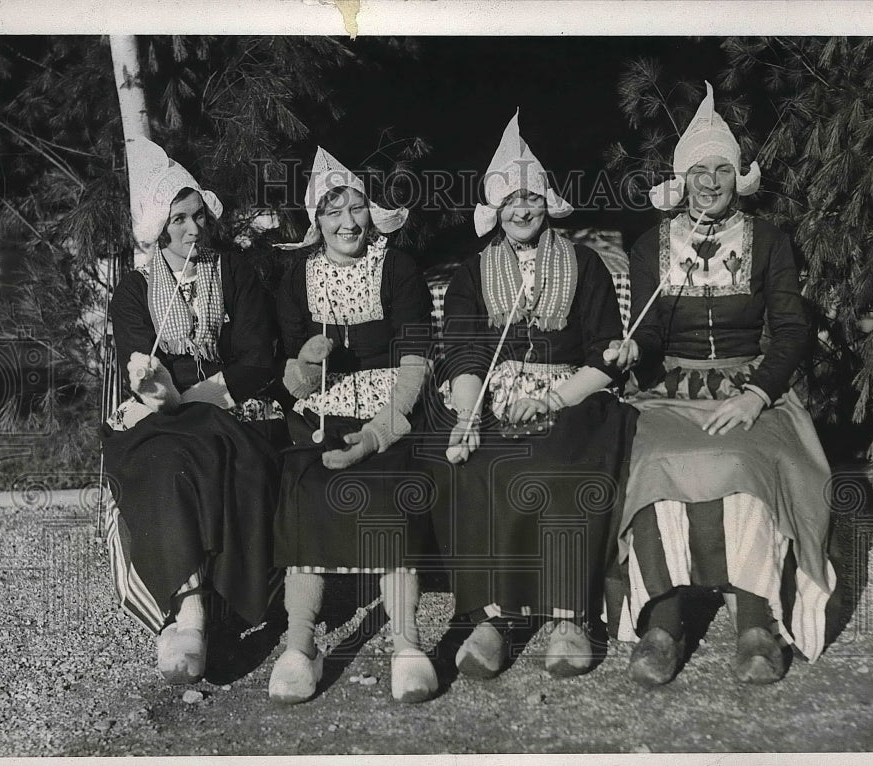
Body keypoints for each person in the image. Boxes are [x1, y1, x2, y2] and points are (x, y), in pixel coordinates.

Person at [611, 82, 836, 685]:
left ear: (739, 177)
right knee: (652, 457)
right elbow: (651, 334)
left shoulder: (767, 241)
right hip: (669, 388)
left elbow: (791, 330)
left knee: (746, 456)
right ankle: (662, 621)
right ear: (681, 179)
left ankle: (757, 623)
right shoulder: (650, 244)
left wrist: (757, 393)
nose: (709, 182)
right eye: (698, 171)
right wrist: (636, 347)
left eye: (722, 169)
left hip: (751, 383)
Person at [431, 110, 638, 680]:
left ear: (548, 201)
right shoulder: (472, 274)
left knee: (565, 460)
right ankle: (491, 618)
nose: (522, 209)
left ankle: (570, 616)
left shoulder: (585, 263)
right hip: (493, 395)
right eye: (510, 200)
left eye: (532, 197)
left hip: (572, 395)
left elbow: (603, 353)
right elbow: (465, 353)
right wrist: (469, 415)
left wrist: (553, 399)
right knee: (476, 464)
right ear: (495, 209)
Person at [100, 137, 283, 684]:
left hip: (228, 406)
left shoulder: (235, 274)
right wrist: (155, 388)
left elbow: (256, 360)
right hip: (159, 414)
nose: (193, 230)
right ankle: (188, 607)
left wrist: (188, 396)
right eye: (179, 219)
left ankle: (219, 601)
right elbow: (139, 361)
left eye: (198, 215)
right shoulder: (134, 291)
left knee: (219, 453)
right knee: (160, 460)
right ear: (159, 227)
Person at [267, 147, 439, 704]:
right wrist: (306, 367)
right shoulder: (298, 276)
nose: (347, 223)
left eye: (357, 208)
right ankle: (299, 647)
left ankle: (408, 644)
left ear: (372, 212)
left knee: (388, 488)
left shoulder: (399, 267)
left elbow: (416, 361)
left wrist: (378, 433)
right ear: (317, 222)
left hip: (391, 411)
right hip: (322, 415)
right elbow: (290, 380)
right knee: (307, 489)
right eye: (333, 211)